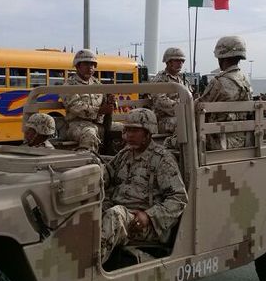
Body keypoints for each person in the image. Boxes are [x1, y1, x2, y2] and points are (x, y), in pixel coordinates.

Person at [101, 108, 187, 265]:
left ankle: (88, 269)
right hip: (120, 214)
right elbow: (106, 175)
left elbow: (179, 198)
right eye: (127, 130)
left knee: (115, 215)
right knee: (88, 209)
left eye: (135, 131)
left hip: (144, 224)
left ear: (148, 133)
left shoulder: (162, 160)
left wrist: (149, 216)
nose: (129, 135)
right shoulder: (125, 154)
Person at [195, 36, 252, 150]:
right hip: (242, 139)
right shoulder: (246, 80)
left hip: (218, 141)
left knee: (173, 142)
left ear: (222, 58)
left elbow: (198, 107)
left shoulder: (219, 82)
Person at [61, 49, 116, 152]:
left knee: (125, 129)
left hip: (99, 124)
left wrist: (110, 101)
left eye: (93, 65)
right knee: (89, 134)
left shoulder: (97, 84)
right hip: (76, 125)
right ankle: (88, 165)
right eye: (86, 64)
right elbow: (75, 107)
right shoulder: (69, 85)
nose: (90, 67)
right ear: (77, 66)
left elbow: (106, 103)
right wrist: (99, 110)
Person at [151, 47, 194, 135]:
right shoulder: (161, 78)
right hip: (164, 119)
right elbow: (160, 101)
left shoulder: (183, 79)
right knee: (183, 123)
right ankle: (184, 147)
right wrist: (181, 108)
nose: (180, 64)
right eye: (177, 61)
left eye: (182, 61)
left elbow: (190, 97)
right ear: (168, 62)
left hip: (182, 115)